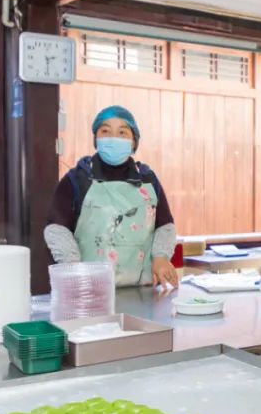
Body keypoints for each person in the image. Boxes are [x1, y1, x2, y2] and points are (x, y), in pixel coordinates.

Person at [45, 106, 179, 289]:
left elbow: (165, 226)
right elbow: (57, 229)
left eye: (122, 132)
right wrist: (73, 266)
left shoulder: (148, 180)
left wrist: (161, 257)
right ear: (96, 138)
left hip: (142, 291)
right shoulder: (77, 179)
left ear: (134, 141)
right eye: (105, 131)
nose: (113, 138)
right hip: (91, 290)